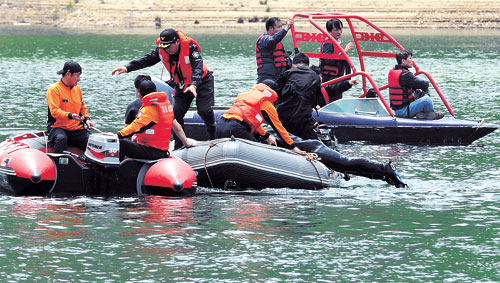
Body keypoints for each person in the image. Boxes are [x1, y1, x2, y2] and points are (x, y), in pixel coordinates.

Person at [111, 28, 216, 149]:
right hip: (182, 85)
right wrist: (127, 68)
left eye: (169, 46)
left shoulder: (191, 47)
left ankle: (213, 137)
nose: (167, 49)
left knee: (204, 110)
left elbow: (198, 67)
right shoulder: (163, 51)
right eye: (164, 47)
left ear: (177, 42)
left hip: (201, 81)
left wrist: (194, 85)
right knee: (175, 113)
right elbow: (147, 60)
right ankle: (180, 145)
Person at [215, 80, 305, 155]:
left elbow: (250, 119)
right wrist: (293, 147)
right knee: (258, 154)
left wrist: (267, 135)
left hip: (220, 125)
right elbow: (279, 128)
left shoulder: (246, 95)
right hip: (236, 128)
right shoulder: (266, 103)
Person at [117, 80, 193, 161]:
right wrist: (186, 142)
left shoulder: (150, 109)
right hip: (162, 150)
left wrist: (118, 135)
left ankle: (115, 171)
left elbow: (135, 126)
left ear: (140, 94)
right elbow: (178, 128)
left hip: (152, 151)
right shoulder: (167, 105)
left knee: (120, 143)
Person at [46, 61, 95, 153]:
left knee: (93, 142)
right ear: (68, 74)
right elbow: (54, 111)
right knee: (61, 139)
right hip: (58, 127)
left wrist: (87, 119)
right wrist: (70, 115)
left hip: (76, 129)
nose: (79, 79)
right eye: (77, 75)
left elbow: (82, 108)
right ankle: (57, 163)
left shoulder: (78, 89)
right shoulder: (54, 89)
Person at [274, 53, 323, 140]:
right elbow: (315, 100)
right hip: (303, 120)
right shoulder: (315, 77)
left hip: (284, 119)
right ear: (308, 65)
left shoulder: (286, 74)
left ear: (292, 65)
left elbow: (275, 96)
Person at [388, 49, 444, 119]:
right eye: (410, 58)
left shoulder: (393, 71)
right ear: (403, 60)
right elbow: (424, 84)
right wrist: (425, 85)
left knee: (418, 94)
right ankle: (430, 115)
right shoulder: (405, 75)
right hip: (404, 111)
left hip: (397, 111)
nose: (412, 60)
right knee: (427, 100)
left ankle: (425, 115)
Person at [256, 17, 294, 83]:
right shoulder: (263, 40)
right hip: (267, 78)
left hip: (279, 77)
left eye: (281, 27)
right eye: (278, 27)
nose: (281, 29)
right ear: (271, 28)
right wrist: (286, 29)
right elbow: (272, 40)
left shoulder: (277, 42)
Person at [319, 19, 354, 85]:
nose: (339, 32)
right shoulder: (328, 43)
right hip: (329, 79)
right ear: (329, 32)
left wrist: (348, 78)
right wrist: (345, 51)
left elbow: (345, 61)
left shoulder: (337, 43)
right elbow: (329, 60)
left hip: (337, 77)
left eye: (340, 29)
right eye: (336, 30)